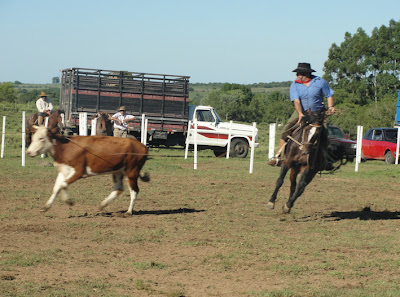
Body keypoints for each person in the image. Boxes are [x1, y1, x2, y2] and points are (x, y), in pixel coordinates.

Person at [268, 62, 336, 167]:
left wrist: (331, 107)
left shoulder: (320, 82)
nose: (297, 75)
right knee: (286, 130)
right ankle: (278, 157)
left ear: (306, 74)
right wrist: (300, 114)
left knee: (324, 133)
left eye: (299, 73)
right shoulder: (295, 84)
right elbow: (296, 101)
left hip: (318, 113)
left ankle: (325, 160)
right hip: (301, 111)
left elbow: (329, 95)